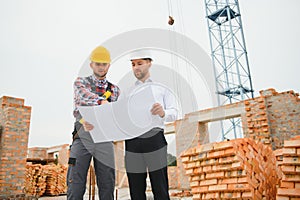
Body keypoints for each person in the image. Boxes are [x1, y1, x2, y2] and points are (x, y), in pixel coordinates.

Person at [67, 46, 120, 200]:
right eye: (98, 64)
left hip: (104, 137)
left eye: (104, 64)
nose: (101, 67)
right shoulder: (80, 83)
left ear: (108, 65)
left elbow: (114, 114)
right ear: (91, 65)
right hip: (83, 135)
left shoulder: (115, 90)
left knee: (107, 182)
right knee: (75, 181)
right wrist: (100, 102)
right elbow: (81, 102)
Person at [125, 50, 178, 200]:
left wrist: (162, 113)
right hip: (133, 140)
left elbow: (174, 112)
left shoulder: (162, 88)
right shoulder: (128, 92)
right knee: (135, 188)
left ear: (149, 63)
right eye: (133, 64)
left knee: (159, 185)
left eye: (140, 63)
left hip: (155, 138)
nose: (136, 67)